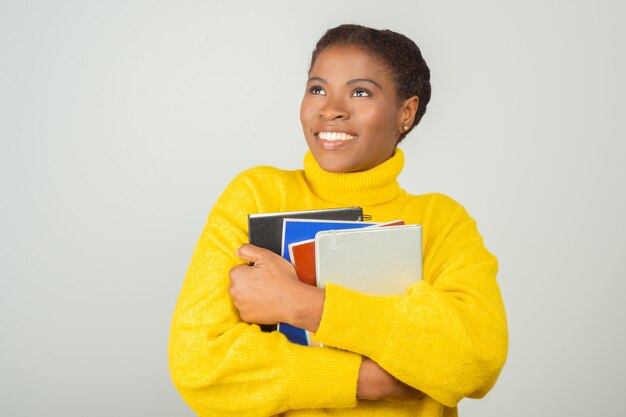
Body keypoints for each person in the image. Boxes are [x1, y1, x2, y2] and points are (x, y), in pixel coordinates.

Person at [169, 24, 508, 417]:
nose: (330, 108)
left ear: (406, 112)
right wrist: (368, 379)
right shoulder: (256, 195)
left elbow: (475, 360)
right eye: (317, 89)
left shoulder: (441, 222)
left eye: (360, 92)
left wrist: (300, 303)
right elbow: (199, 364)